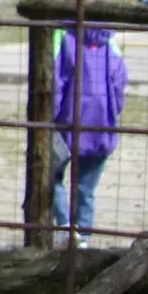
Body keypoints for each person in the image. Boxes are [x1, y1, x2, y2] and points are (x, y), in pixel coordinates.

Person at [51, 26, 128, 248]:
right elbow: (120, 82)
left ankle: (65, 226)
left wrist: (49, 117)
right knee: (86, 189)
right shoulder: (111, 43)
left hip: (67, 123)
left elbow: (57, 81)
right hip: (102, 126)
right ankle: (82, 239)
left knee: (49, 175)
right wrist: (113, 112)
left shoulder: (62, 37)